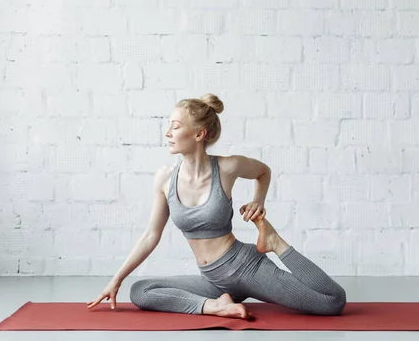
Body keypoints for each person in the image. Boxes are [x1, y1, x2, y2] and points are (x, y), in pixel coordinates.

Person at [87, 93, 347, 319]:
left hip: (247, 268)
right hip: (212, 281)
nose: (167, 133)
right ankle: (215, 306)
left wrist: (258, 201)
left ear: (199, 134)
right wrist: (116, 280)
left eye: (175, 127)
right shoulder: (165, 178)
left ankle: (274, 242)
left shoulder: (227, 167)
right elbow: (151, 235)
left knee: (332, 302)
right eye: (168, 126)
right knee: (140, 291)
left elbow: (263, 171)